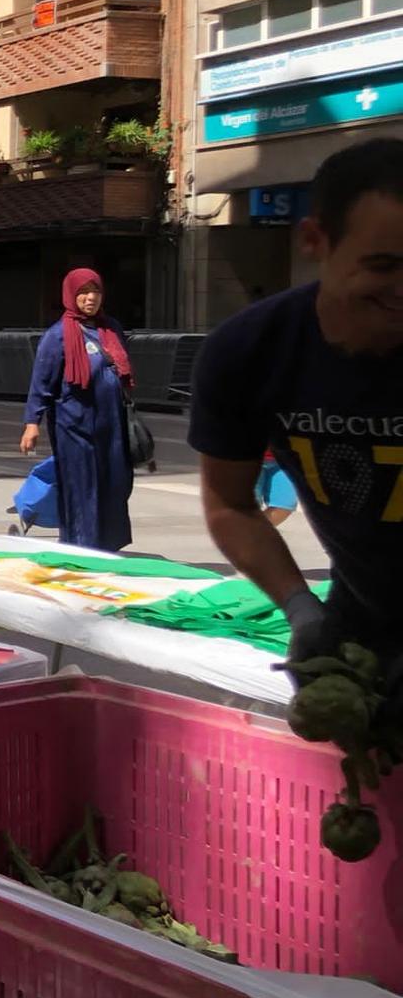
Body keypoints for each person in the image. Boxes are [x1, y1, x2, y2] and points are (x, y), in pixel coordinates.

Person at [189, 137, 403, 675]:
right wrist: (301, 608)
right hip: (363, 626)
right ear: (315, 240)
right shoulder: (250, 352)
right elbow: (231, 506)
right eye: (383, 266)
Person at [20, 268, 134, 551]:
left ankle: (108, 543)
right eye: (83, 292)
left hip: (112, 422)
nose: (90, 298)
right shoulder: (58, 335)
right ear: (71, 295)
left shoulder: (111, 329)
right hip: (74, 424)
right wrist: (32, 422)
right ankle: (81, 544)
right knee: (81, 486)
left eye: (95, 291)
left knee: (114, 482)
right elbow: (42, 380)